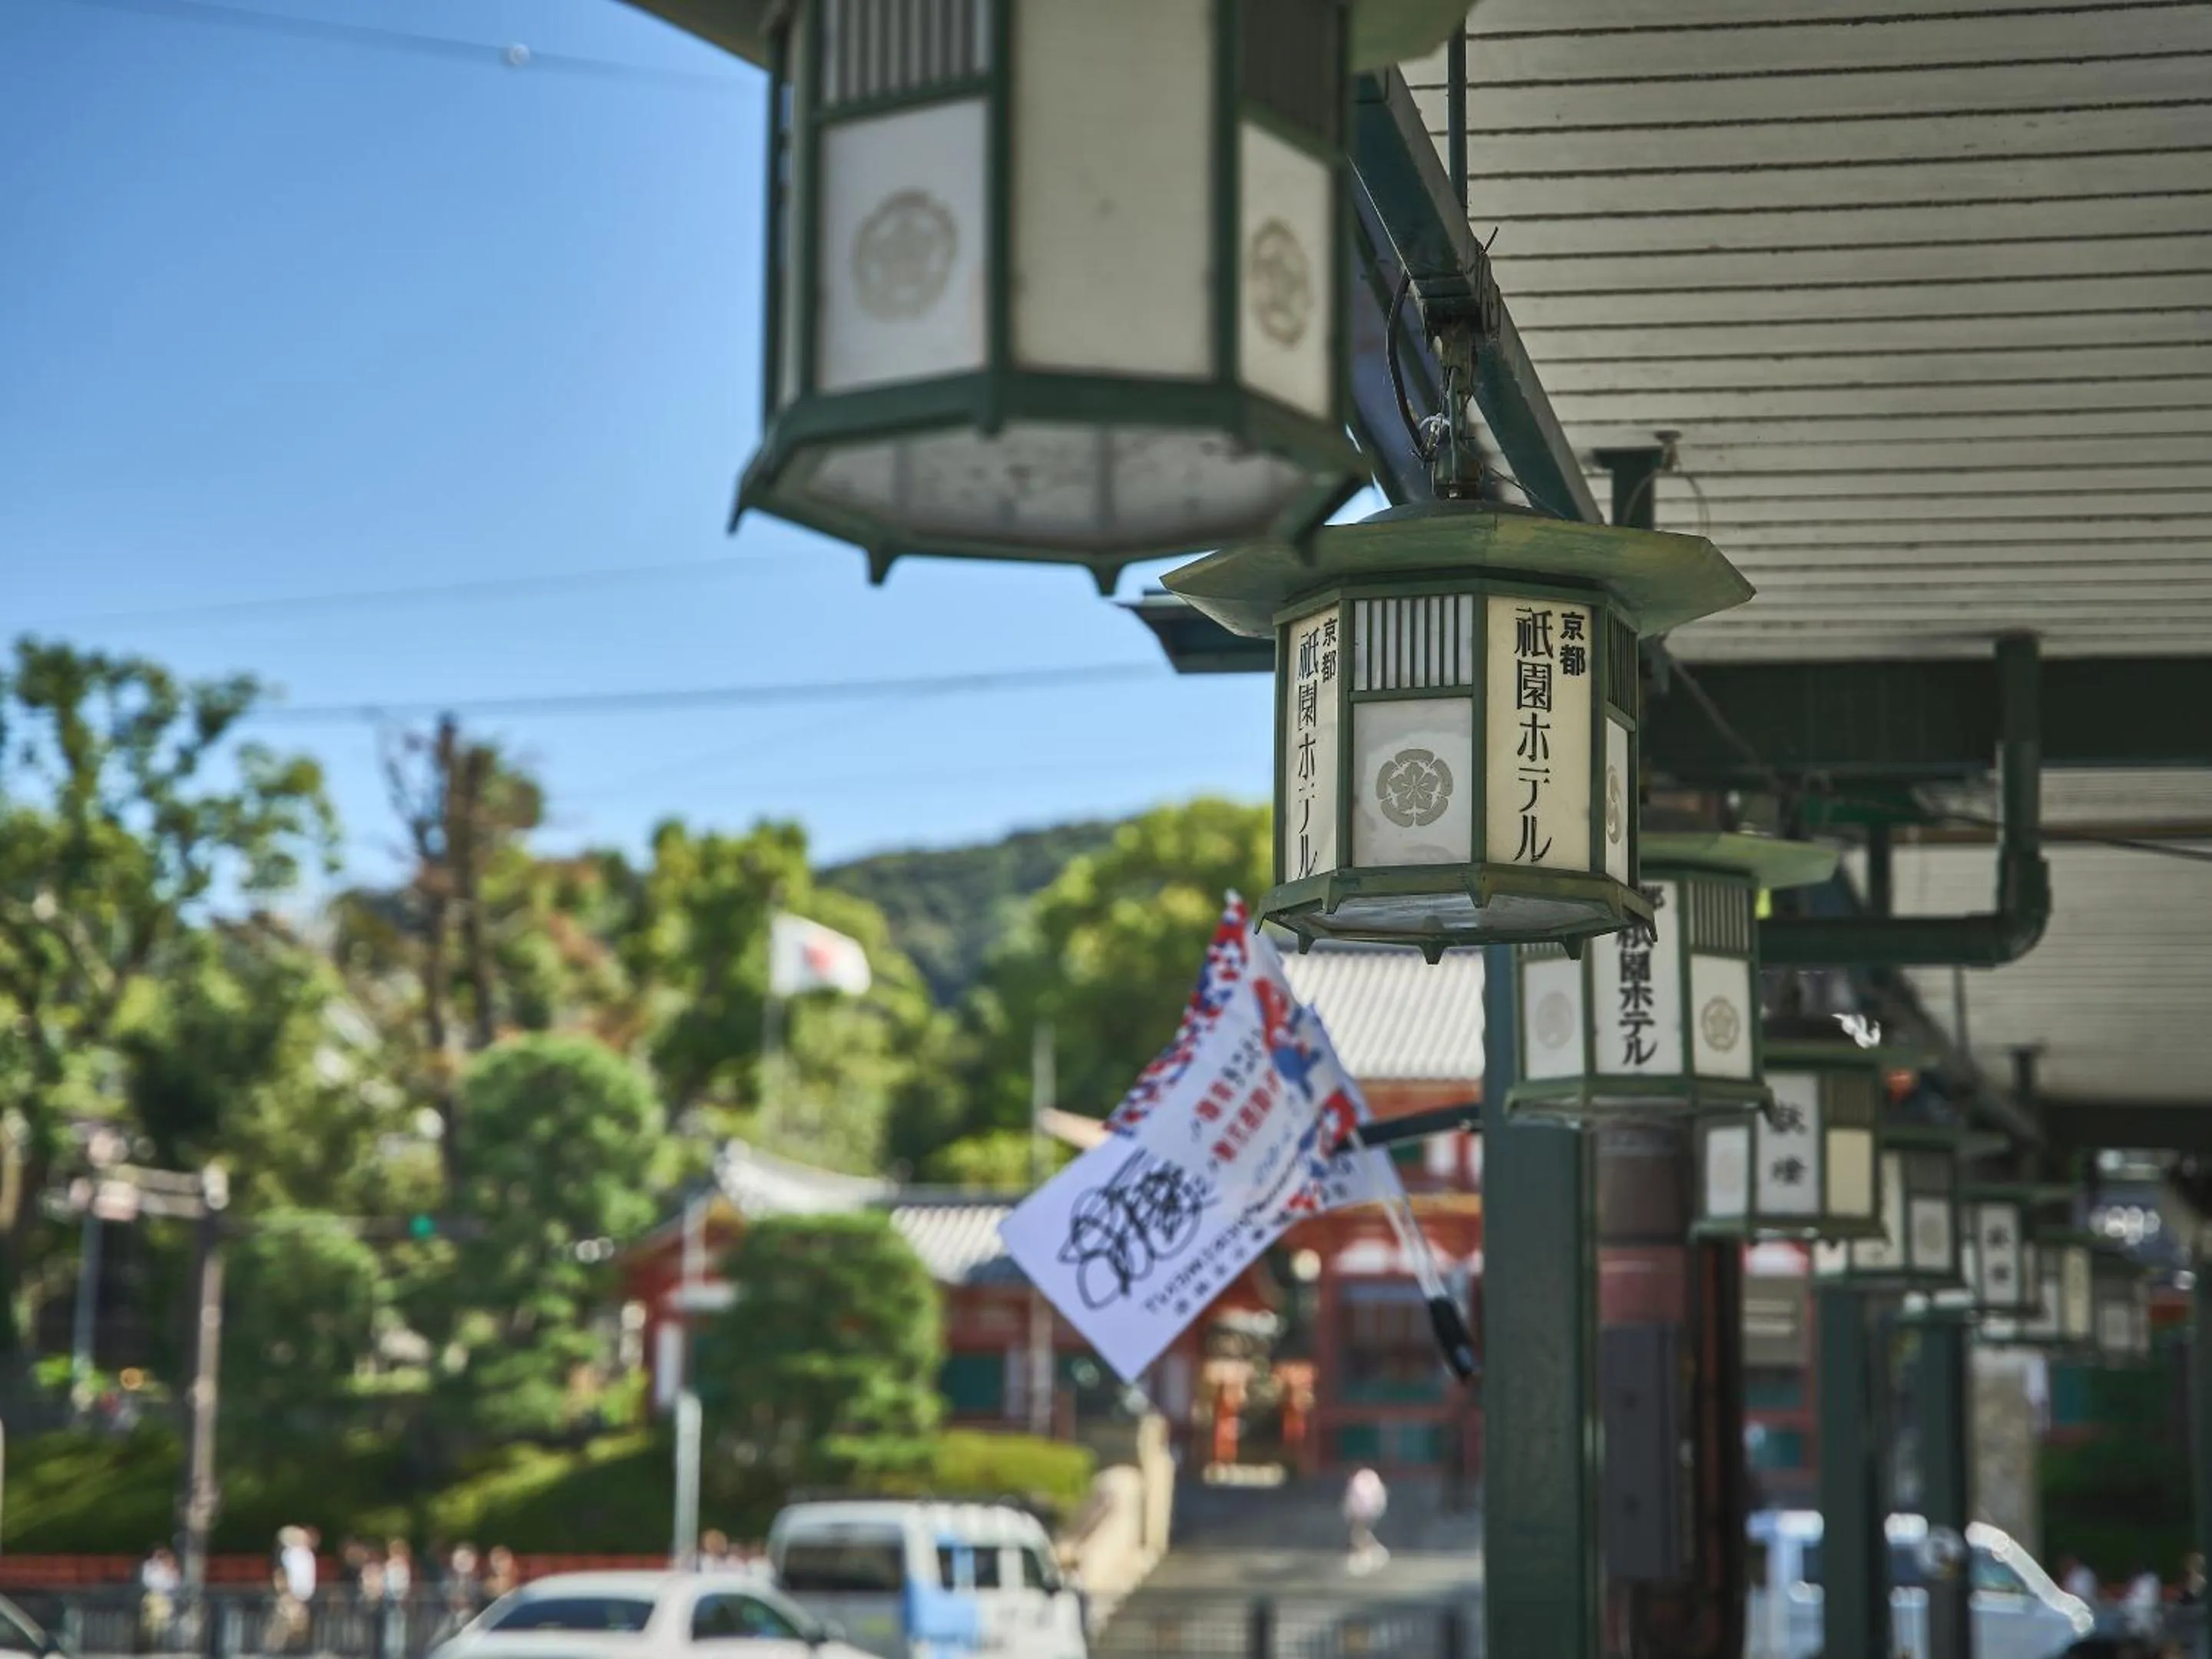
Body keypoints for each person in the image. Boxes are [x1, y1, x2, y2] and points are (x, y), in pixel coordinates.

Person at [1342, 1467, 1389, 1575]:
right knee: (1360, 1534)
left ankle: (1367, 1555)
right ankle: (1372, 1552)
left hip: (1363, 1512)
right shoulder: (1368, 1479)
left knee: (1358, 1534)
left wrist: (1351, 1512)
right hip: (1366, 1512)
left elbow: (1355, 1499)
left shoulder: (1362, 1481)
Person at [138, 1546, 180, 1653]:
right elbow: (148, 1581)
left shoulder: (171, 1569)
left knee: (164, 1623)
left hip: (166, 1597)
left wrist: (169, 1573)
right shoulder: (150, 1567)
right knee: (150, 1623)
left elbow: (174, 1583)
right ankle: (148, 1645)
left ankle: (160, 1646)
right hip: (154, 1596)